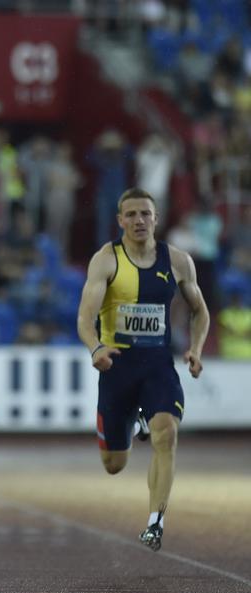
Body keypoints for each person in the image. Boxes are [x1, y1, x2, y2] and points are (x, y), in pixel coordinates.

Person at [76, 187, 209, 551]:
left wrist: (196, 349)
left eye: (145, 214)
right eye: (131, 214)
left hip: (158, 366)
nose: (139, 220)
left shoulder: (178, 261)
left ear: (156, 218)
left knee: (167, 433)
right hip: (117, 368)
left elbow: (200, 310)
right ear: (120, 220)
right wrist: (96, 347)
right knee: (114, 464)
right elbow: (85, 318)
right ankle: (133, 423)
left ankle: (155, 521)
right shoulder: (106, 260)